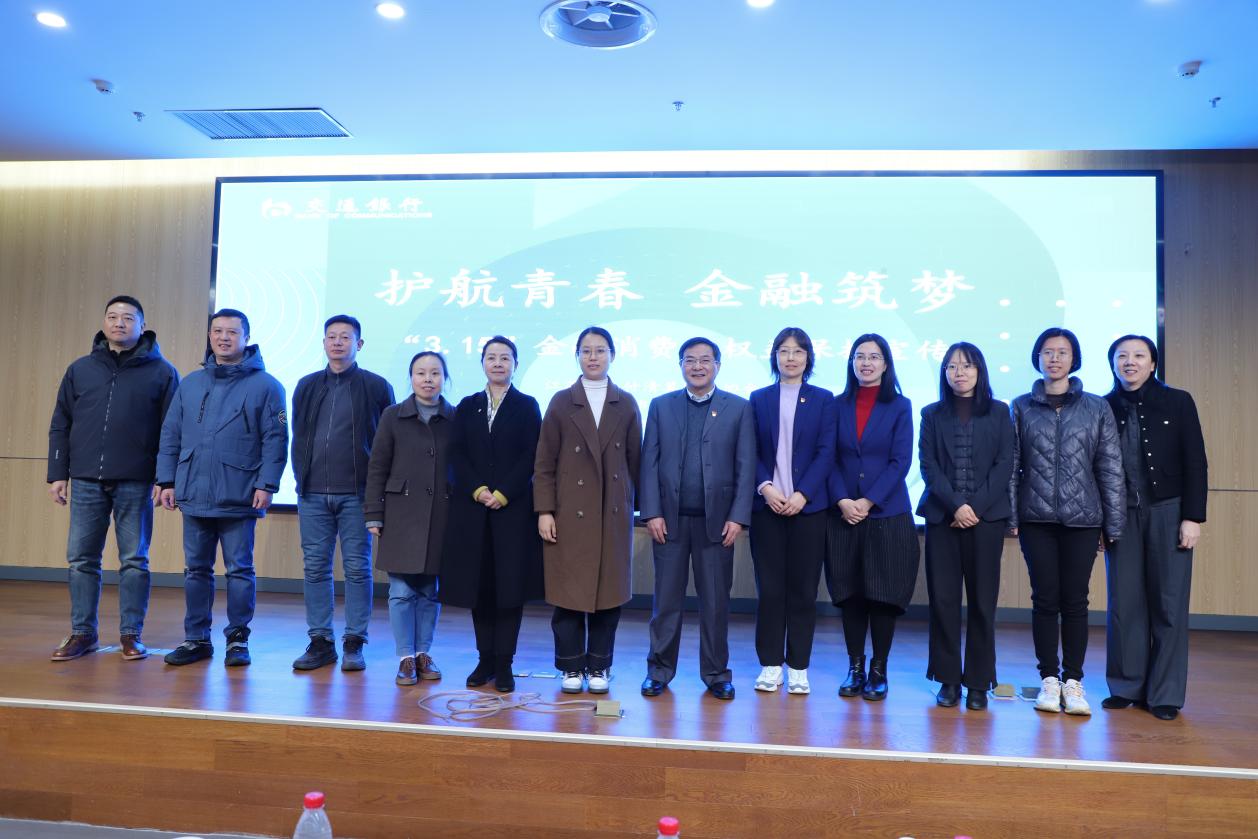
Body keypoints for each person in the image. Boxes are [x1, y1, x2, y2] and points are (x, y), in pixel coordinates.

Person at [47, 295, 180, 662]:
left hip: (136, 481)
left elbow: (172, 431)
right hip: (86, 478)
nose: (119, 323)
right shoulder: (80, 369)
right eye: (113, 316)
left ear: (142, 325)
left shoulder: (163, 372)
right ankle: (83, 633)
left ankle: (131, 635)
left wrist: (165, 478)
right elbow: (61, 423)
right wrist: (58, 473)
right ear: (104, 322)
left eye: (128, 318)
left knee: (134, 560)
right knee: (81, 559)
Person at [157, 308, 288, 667]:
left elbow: (276, 440)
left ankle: (237, 640)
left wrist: (267, 484)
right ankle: (197, 639)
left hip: (240, 493)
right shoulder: (190, 383)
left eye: (232, 332)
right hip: (193, 493)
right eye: (217, 331)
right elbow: (170, 434)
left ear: (246, 338)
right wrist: (166, 479)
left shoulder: (267, 386)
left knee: (239, 569)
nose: (224, 337)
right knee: (195, 570)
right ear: (210, 336)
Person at [1010, 327, 1124, 715]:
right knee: (1044, 599)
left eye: (1062, 352)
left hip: (1083, 520)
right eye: (1047, 352)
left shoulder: (1096, 407)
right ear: (1038, 358)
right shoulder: (1021, 407)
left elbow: (1109, 467)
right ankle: (1048, 679)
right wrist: (1012, 516)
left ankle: (1073, 681)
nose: (1054, 358)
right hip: (1036, 519)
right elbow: (1012, 466)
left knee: (1075, 600)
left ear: (1074, 359)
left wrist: (1113, 524)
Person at [639, 337, 756, 701]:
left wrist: (738, 517)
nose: (698, 367)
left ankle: (717, 674)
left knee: (716, 604)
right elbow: (648, 463)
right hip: (669, 523)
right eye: (690, 360)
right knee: (666, 603)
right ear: (681, 365)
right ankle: (659, 671)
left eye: (706, 360)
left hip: (717, 524)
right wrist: (651, 512)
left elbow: (746, 466)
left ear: (718, 366)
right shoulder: (661, 406)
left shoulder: (738, 408)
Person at [1102, 334, 1207, 721]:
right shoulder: (1103, 406)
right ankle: (1126, 685)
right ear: (1113, 363)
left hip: (1169, 510)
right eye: (1122, 356)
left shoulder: (1178, 401)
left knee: (1169, 603)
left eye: (1138, 355)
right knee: (1124, 603)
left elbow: (1196, 461)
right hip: (1121, 515)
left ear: (1153, 363)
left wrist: (1193, 517)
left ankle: (1164, 694)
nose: (1129, 362)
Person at [534, 326, 642, 695]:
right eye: (586, 350)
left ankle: (599, 665)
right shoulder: (562, 401)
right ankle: (570, 665)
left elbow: (636, 461)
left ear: (612, 355)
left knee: (607, 596)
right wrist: (545, 510)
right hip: (568, 514)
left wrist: (636, 508)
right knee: (567, 595)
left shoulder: (625, 403)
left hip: (611, 514)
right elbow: (544, 462)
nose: (593, 357)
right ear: (577, 356)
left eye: (600, 350)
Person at [290, 315, 395, 672]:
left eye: (345, 337)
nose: (337, 342)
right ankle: (320, 641)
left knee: (357, 568)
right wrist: (300, 477)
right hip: (312, 493)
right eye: (331, 337)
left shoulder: (376, 386)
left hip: (357, 494)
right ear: (323, 343)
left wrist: (378, 493)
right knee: (315, 568)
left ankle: (354, 641)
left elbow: (386, 444)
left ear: (359, 344)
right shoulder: (306, 385)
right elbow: (298, 436)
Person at [441, 337, 544, 693]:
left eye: (505, 358)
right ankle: (484, 659)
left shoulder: (527, 406)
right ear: (483, 363)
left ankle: (504, 664)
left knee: (509, 590)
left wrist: (503, 492)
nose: (498, 363)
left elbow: (532, 455)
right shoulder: (467, 405)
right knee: (480, 588)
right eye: (491, 357)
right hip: (472, 512)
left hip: (511, 512)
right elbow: (456, 454)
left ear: (515, 364)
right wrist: (477, 489)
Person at [917, 342, 1014, 711]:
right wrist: (957, 505)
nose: (959, 372)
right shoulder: (931, 414)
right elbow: (928, 466)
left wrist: (975, 506)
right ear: (944, 373)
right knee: (943, 601)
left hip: (986, 520)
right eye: (952, 366)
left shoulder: (1000, 412)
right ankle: (947, 679)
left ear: (979, 371)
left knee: (982, 602)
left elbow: (1005, 464)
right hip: (944, 518)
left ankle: (977, 681)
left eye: (967, 365)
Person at [826, 333, 918, 702]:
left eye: (874, 356)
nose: (866, 363)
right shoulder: (836, 405)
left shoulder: (900, 405)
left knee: (883, 595)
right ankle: (855, 667)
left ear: (885, 363)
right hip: (843, 513)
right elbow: (828, 457)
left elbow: (901, 461)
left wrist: (868, 501)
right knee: (850, 594)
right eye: (860, 356)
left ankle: (879, 669)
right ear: (851, 363)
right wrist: (843, 500)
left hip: (887, 513)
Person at [748, 327, 836, 696]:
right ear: (775, 357)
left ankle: (798, 666)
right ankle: (770, 664)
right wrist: (766, 487)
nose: (790, 357)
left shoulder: (824, 399)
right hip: (767, 508)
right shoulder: (759, 398)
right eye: (783, 350)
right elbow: (750, 450)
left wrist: (803, 493)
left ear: (808, 358)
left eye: (798, 351)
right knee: (770, 590)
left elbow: (827, 451)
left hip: (808, 510)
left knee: (803, 591)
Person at [365, 351, 455, 687]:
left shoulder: (455, 417)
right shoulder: (393, 415)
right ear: (411, 377)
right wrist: (373, 514)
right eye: (421, 373)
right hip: (399, 514)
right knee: (401, 591)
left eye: (435, 373)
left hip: (440, 515)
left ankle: (423, 653)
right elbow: (378, 467)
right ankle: (405, 656)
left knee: (429, 591)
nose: (428, 379)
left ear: (444, 378)